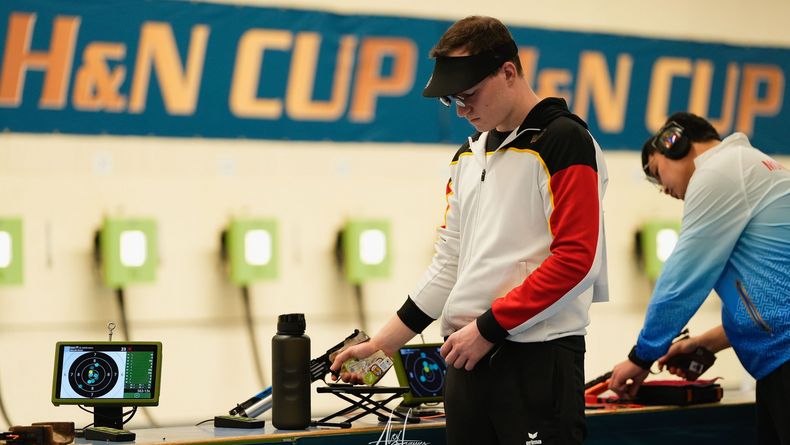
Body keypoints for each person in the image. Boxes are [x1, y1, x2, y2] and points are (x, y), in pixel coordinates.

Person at [331, 16, 609, 445]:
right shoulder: (468, 155)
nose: (462, 110)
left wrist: (489, 328)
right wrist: (384, 345)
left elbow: (576, 260)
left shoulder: (562, 139)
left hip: (534, 360)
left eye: (469, 95)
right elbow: (449, 264)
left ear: (508, 72)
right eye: (452, 101)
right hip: (465, 359)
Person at [609, 112, 790, 444]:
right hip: (778, 364)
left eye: (655, 172)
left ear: (673, 143)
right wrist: (706, 343)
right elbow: (773, 300)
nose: (661, 188)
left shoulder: (718, 171)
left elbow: (682, 279)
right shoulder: (745, 166)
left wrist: (642, 356)